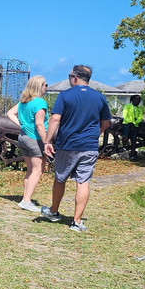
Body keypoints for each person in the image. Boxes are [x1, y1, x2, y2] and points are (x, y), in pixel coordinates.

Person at [42, 65, 112, 233]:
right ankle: (77, 221)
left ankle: (54, 211)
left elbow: (55, 119)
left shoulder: (65, 95)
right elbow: (106, 123)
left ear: (75, 78)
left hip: (67, 144)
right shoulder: (99, 97)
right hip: (89, 146)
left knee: (60, 178)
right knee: (83, 181)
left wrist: (47, 141)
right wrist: (95, 134)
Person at [6, 75, 48, 212]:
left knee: (30, 170)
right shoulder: (40, 103)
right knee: (38, 171)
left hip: (23, 137)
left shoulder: (24, 101)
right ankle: (26, 201)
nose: (46, 87)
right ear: (39, 86)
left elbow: (10, 113)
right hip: (35, 139)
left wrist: (22, 125)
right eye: (45, 85)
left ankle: (25, 198)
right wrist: (46, 142)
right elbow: (39, 125)